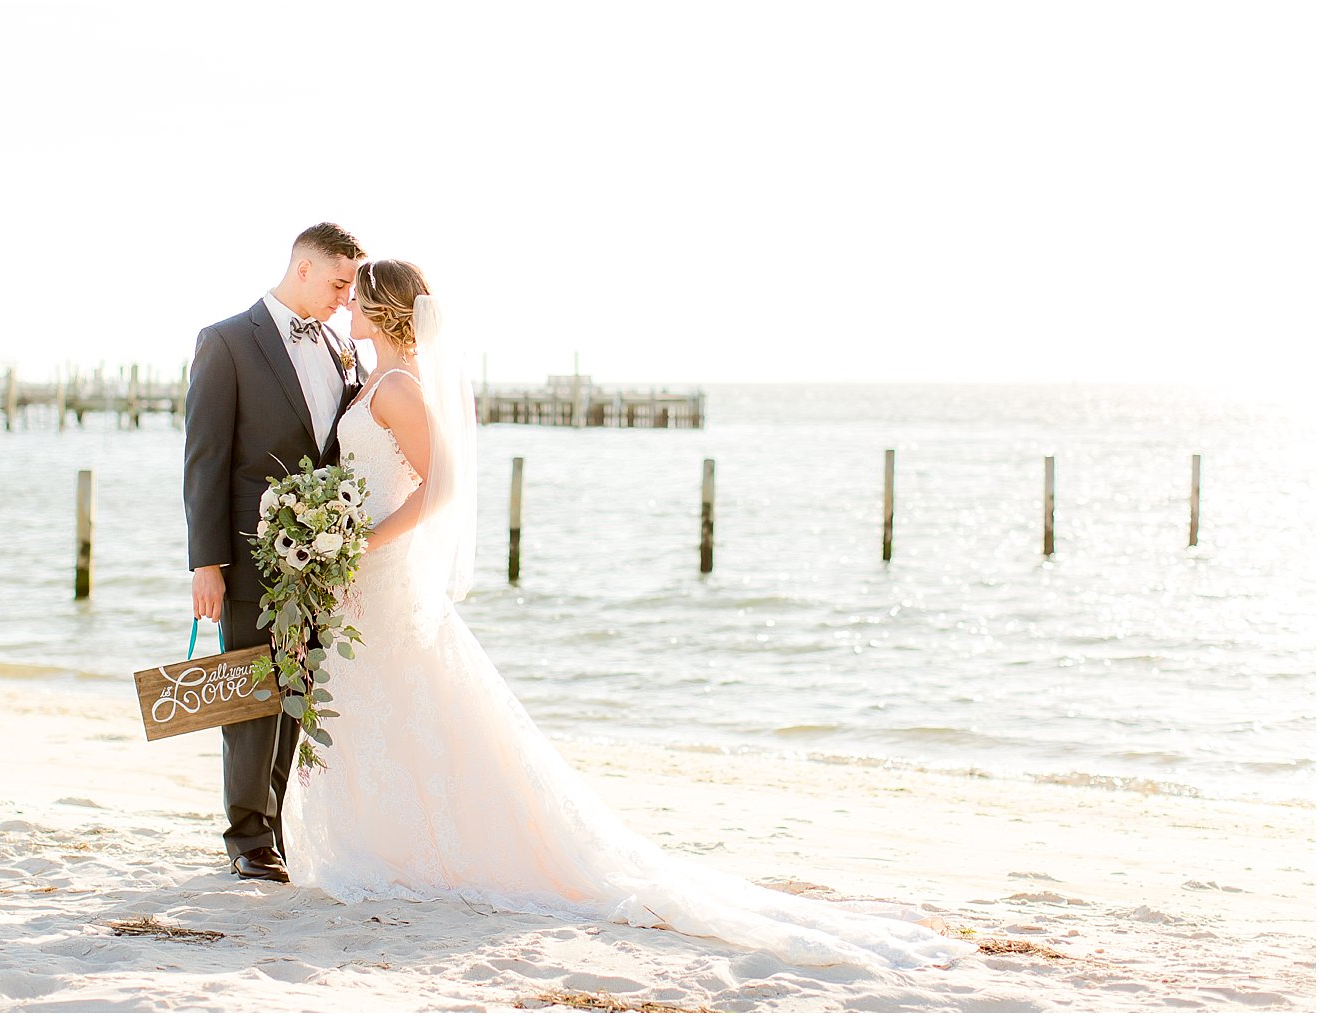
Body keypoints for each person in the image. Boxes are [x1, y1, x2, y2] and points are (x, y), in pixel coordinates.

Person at [278, 259, 976, 969]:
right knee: (387, 703)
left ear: (382, 310)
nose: (346, 310)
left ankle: (413, 847)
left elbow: (442, 487)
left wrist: (363, 540)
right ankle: (388, 839)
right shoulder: (377, 380)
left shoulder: (398, 387)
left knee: (410, 699)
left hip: (382, 570)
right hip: (360, 576)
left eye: (356, 299)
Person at [183, 223, 368, 882]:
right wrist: (205, 562)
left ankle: (275, 830)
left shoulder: (344, 351)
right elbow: (205, 458)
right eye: (341, 283)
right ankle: (247, 838)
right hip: (245, 552)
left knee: (296, 689)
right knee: (249, 693)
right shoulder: (227, 342)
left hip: (320, 555)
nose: (347, 299)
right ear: (304, 269)